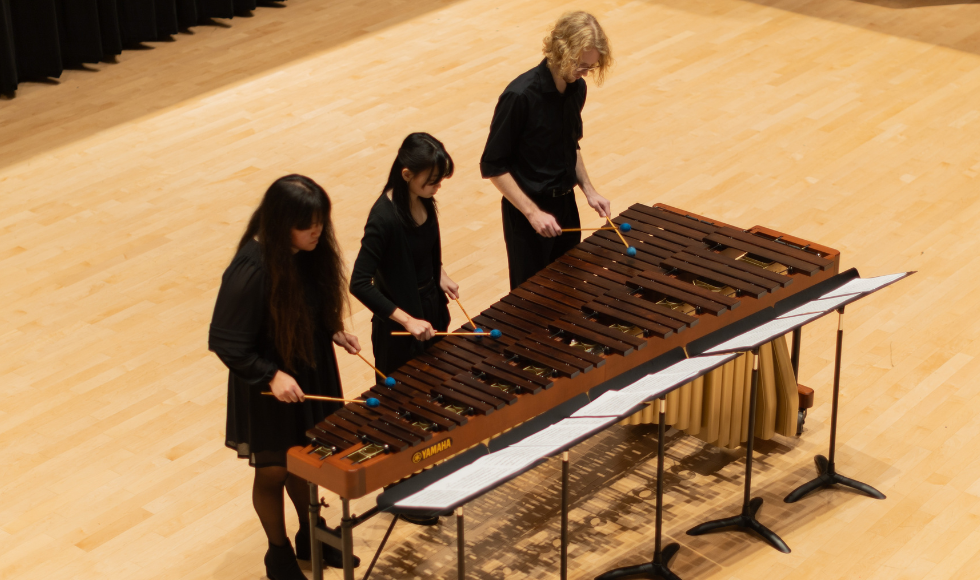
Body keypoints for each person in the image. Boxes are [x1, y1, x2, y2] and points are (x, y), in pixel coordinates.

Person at [209, 175, 361, 580]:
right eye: (306, 225)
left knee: (305, 462)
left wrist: (331, 328)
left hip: (307, 368)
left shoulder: (305, 250)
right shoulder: (251, 268)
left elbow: (304, 303)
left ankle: (311, 533)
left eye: (320, 222)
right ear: (280, 224)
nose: (316, 232)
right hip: (267, 383)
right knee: (275, 469)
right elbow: (225, 341)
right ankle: (278, 555)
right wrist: (271, 375)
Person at [480, 11, 614, 289]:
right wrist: (532, 213)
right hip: (528, 212)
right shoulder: (520, 96)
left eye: (590, 67)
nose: (585, 73)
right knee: (530, 299)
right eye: (580, 64)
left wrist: (589, 190)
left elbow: (570, 144)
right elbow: (493, 166)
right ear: (561, 50)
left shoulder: (577, 90)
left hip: (566, 205)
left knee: (569, 288)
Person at [350, 132, 458, 380]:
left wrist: (438, 272)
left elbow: (422, 247)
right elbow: (358, 283)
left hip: (431, 309)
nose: (438, 187)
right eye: (432, 181)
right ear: (407, 175)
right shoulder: (383, 219)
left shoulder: (424, 198)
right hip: (401, 327)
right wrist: (408, 321)